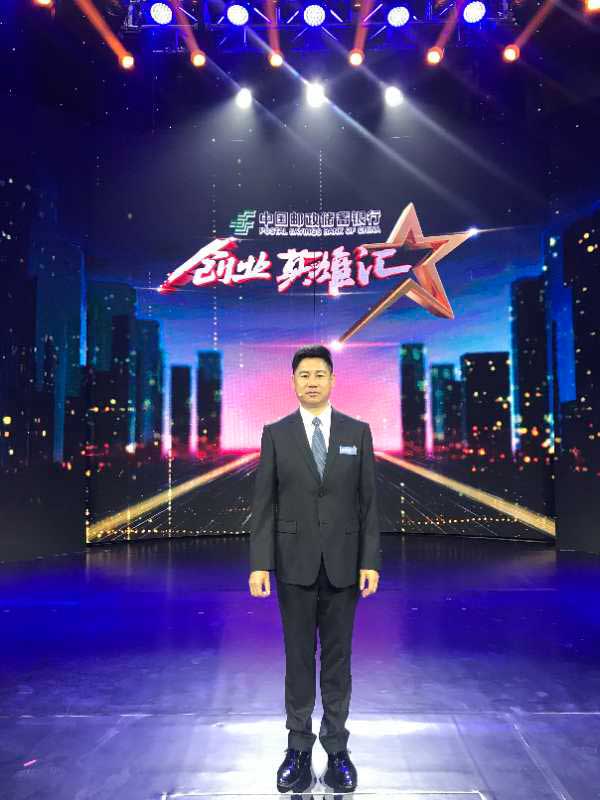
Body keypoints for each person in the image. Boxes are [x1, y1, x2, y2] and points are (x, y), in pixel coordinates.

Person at [248, 343, 381, 794]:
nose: (311, 382)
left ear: (332, 380)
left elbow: (369, 504)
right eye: (303, 375)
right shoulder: (276, 434)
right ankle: (298, 750)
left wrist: (370, 560)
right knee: (299, 660)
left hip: (344, 564)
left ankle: (338, 750)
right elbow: (264, 505)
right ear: (293, 381)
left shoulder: (357, 432)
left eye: (319, 374)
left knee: (338, 662)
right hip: (293, 565)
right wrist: (260, 564)